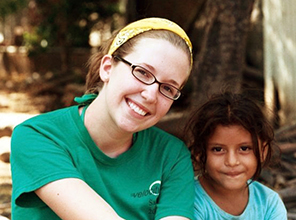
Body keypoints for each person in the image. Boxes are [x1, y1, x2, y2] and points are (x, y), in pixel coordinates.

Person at [10, 17, 194, 220]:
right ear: (107, 68)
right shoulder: (39, 136)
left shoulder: (172, 155)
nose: (150, 95)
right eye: (142, 72)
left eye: (168, 88)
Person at [183, 91, 287, 220]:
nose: (231, 161)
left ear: (262, 151)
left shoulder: (269, 203)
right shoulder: (188, 202)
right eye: (218, 149)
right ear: (199, 153)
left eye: (244, 148)